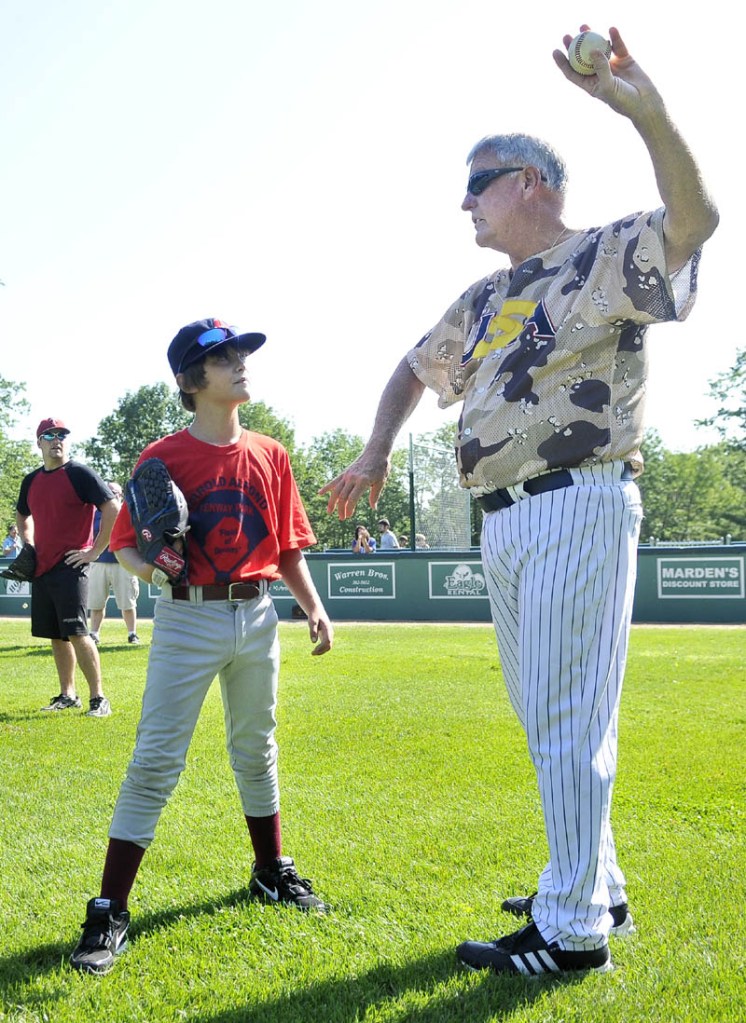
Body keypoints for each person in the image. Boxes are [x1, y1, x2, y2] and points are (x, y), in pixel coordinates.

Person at [320, 27, 718, 976]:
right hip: (506, 521)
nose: (464, 199)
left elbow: (695, 221)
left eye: (480, 180)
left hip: (577, 502)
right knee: (553, 717)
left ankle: (573, 933)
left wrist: (646, 112)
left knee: (568, 719)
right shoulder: (484, 294)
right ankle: (596, 885)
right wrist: (376, 451)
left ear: (531, 183)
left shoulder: (606, 253)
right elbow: (412, 368)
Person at [70, 317, 334, 975]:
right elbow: (127, 544)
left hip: (258, 612)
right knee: (157, 759)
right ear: (192, 379)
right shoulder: (162, 458)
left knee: (257, 745)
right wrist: (156, 568)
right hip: (187, 619)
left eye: (242, 350)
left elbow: (290, 546)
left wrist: (314, 607)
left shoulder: (271, 453)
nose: (241, 361)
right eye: (224, 355)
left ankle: (270, 868)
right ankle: (109, 908)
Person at [15, 419, 119, 717]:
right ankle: (67, 694)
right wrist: (28, 543)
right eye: (50, 435)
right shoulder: (31, 480)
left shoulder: (80, 473)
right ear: (39, 442)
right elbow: (23, 515)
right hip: (42, 567)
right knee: (56, 635)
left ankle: (99, 699)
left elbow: (112, 507)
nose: (56, 440)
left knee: (76, 631)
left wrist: (94, 550)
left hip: (72, 566)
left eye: (61, 435)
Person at [88, 482, 141, 646]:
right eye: (109, 492)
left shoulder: (130, 512)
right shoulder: (95, 513)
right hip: (99, 563)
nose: (113, 495)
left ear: (122, 495)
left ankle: (132, 634)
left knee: (128, 603)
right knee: (96, 603)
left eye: (116, 492)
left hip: (124, 563)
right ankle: (94, 634)